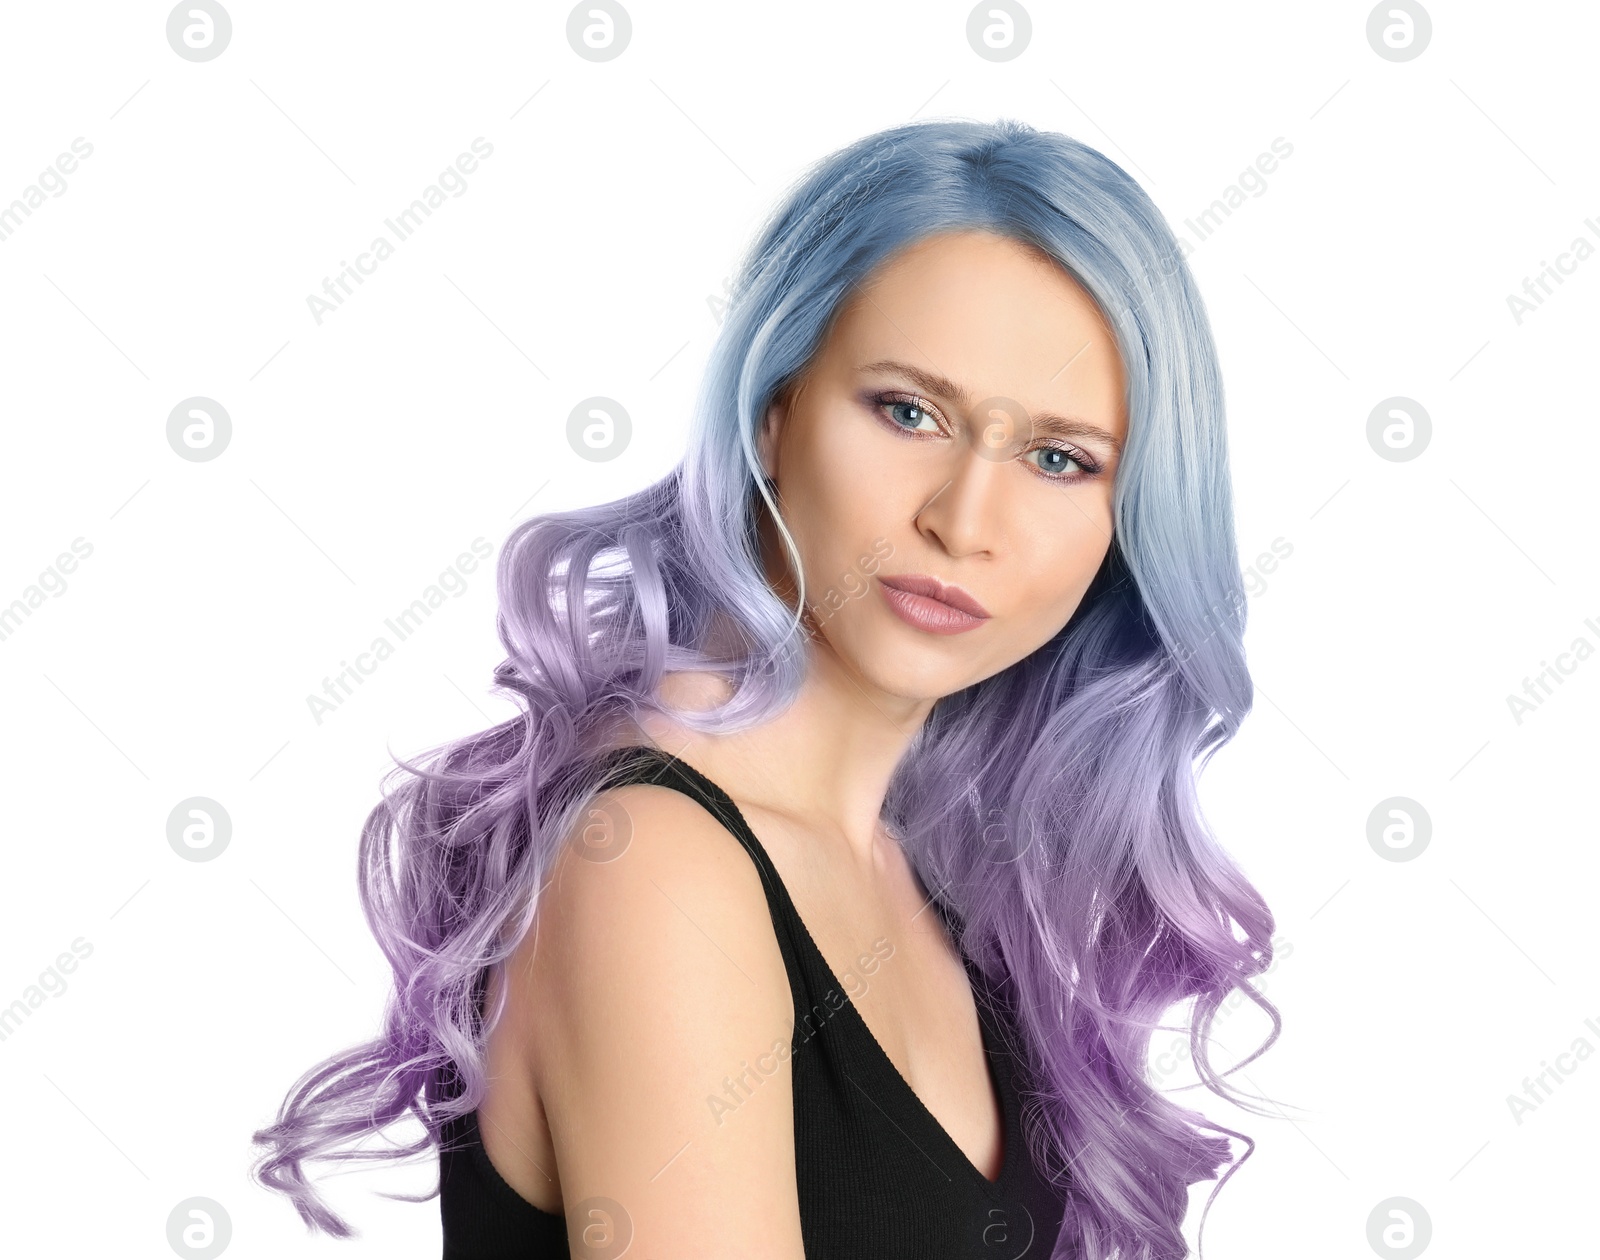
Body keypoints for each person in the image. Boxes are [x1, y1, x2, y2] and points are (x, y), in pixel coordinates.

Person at [253, 117, 1281, 1260]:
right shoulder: (652, 862)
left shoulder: (938, 886)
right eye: (907, 412)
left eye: (1058, 459)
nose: (962, 521)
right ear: (772, 406)